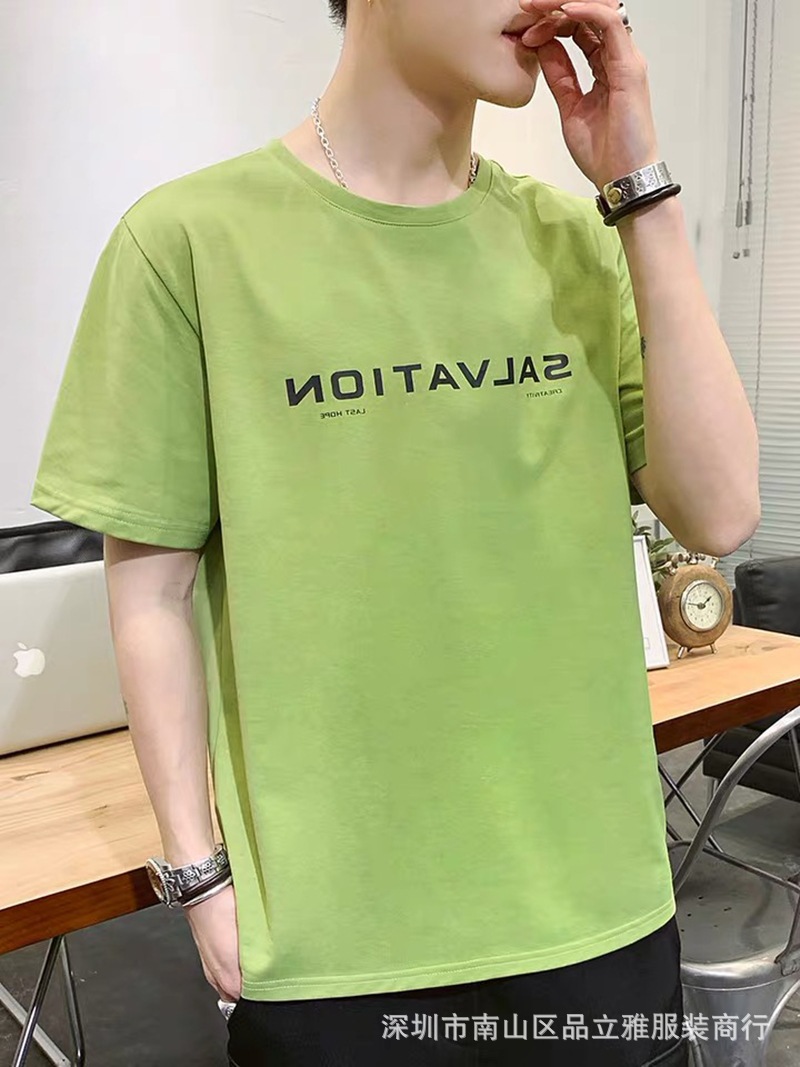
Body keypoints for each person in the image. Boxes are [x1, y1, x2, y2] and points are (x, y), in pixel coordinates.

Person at [30, 0, 761, 1063]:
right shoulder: (188, 240)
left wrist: (638, 189)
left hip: (597, 911)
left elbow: (721, 509)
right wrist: (197, 876)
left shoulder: (577, 238)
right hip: (337, 941)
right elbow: (149, 593)